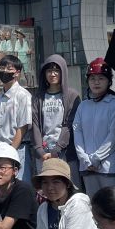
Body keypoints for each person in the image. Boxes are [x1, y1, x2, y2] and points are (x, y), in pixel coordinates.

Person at [72, 58, 115, 195]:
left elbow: (114, 135)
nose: (96, 82)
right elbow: (77, 132)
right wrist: (84, 158)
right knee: (94, 204)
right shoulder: (83, 106)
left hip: (110, 167)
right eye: (92, 78)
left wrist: (96, 158)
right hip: (87, 167)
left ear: (109, 81)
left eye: (101, 78)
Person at [31, 54, 82, 188]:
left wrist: (57, 149)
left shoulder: (72, 95)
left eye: (56, 70)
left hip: (65, 152)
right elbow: (35, 124)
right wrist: (40, 150)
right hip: (44, 153)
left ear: (63, 72)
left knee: (69, 187)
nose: (52, 74)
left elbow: (69, 124)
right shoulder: (38, 97)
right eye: (49, 70)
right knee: (47, 189)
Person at [0, 54, 33, 180]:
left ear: (17, 73)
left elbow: (22, 127)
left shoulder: (23, 96)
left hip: (17, 150)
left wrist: (10, 152)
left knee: (19, 185)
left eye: (9, 69)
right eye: (2, 68)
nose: (4, 71)